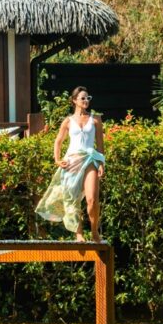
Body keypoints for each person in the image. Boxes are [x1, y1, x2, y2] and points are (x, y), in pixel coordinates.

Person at [35, 86, 105, 241]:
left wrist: (101, 163)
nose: (86, 100)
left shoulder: (95, 119)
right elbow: (58, 141)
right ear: (74, 101)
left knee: (92, 199)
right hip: (72, 161)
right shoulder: (68, 121)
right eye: (82, 98)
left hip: (89, 159)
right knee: (72, 199)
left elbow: (100, 144)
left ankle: (94, 231)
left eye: (88, 98)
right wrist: (57, 159)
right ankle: (78, 233)